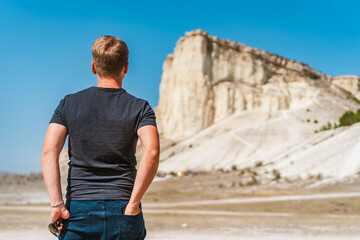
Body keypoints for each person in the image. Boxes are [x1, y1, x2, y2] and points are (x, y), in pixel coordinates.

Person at [41, 35, 160, 240]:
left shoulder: (69, 103)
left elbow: (49, 152)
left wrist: (57, 204)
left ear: (94, 67)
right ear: (126, 67)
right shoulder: (140, 107)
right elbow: (152, 152)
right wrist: (133, 204)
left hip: (78, 208)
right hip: (123, 206)